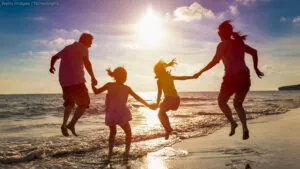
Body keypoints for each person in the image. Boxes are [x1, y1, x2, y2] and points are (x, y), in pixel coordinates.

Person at [193, 20, 264, 140]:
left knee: (221, 102)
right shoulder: (239, 43)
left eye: (219, 31)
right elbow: (254, 52)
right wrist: (256, 68)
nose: (218, 33)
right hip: (245, 77)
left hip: (232, 78)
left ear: (223, 32)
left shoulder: (222, 45)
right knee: (238, 104)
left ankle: (233, 122)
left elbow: (214, 61)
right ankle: (245, 128)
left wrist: (200, 72)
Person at [92, 67, 157, 160]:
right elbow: (137, 98)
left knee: (113, 132)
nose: (125, 77)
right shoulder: (126, 88)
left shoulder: (109, 85)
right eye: (124, 75)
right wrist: (148, 105)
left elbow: (96, 91)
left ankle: (110, 154)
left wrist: (92, 84)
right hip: (121, 113)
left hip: (111, 113)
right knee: (128, 133)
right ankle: (126, 152)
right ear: (123, 76)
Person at [49, 33, 98, 137]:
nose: (91, 44)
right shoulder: (83, 48)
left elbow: (54, 57)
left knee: (69, 104)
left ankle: (63, 125)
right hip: (77, 81)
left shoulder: (67, 48)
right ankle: (71, 125)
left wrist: (51, 67)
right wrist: (93, 77)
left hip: (64, 82)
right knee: (84, 103)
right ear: (84, 40)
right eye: (90, 41)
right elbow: (87, 63)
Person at [154, 58, 196, 140]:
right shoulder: (169, 76)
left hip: (169, 99)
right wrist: (192, 77)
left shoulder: (159, 81)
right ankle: (168, 129)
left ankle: (168, 129)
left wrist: (157, 103)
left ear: (158, 72)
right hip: (176, 100)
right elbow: (182, 78)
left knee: (160, 114)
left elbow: (159, 93)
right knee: (162, 112)